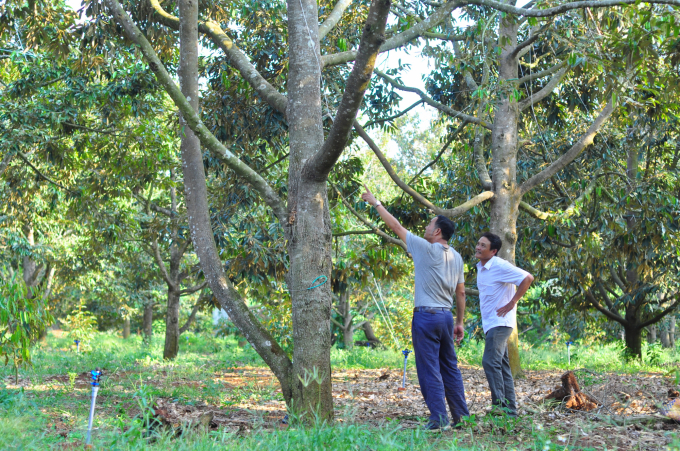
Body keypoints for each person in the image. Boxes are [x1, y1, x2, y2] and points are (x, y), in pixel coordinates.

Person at [361, 185, 469, 431]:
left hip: (426, 318)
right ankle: (462, 417)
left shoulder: (425, 248)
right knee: (450, 368)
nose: (426, 228)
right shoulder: (457, 257)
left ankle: (439, 420)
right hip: (446, 317)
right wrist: (460, 322)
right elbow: (461, 292)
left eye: (430, 225)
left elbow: (396, 227)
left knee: (429, 369)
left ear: (438, 231)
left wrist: (376, 202)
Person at [474, 232, 534, 417]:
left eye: (483, 246)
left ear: (493, 251)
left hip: (500, 323)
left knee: (490, 361)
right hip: (491, 323)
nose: (478, 247)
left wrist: (512, 302)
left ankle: (499, 407)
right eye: (478, 243)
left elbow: (528, 278)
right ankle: (511, 411)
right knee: (501, 365)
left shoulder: (499, 265)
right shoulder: (481, 267)